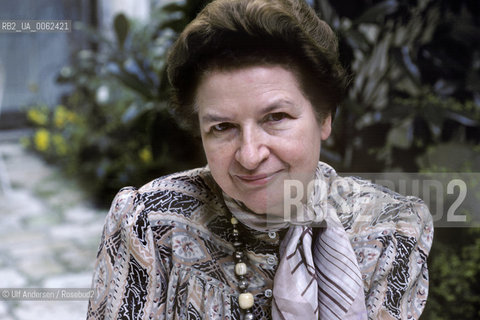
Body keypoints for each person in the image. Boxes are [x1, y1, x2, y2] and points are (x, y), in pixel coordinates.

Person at [87, 0, 433, 319]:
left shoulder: (390, 230)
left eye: (276, 117)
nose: (250, 156)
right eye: (223, 127)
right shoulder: (150, 223)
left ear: (324, 118)